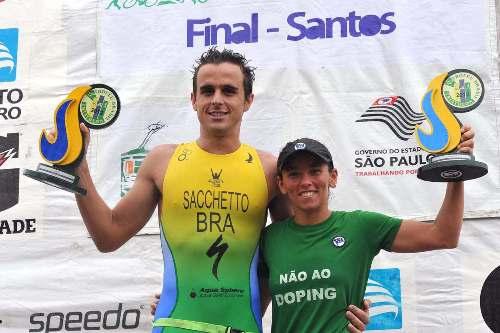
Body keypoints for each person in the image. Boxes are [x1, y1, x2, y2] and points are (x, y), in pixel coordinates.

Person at [73, 47, 369, 333]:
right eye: (207, 90)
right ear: (193, 99)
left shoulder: (268, 169)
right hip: (176, 325)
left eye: (229, 90)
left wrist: (342, 304)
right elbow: (108, 235)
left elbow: (301, 249)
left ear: (248, 100)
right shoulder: (162, 161)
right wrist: (79, 166)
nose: (217, 100)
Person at [259, 128, 474, 332]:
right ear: (281, 184)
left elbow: (443, 235)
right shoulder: (269, 239)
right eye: (294, 174)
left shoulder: (361, 227)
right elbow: (253, 308)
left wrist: (457, 169)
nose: (306, 182)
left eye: (315, 171)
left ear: (333, 177)